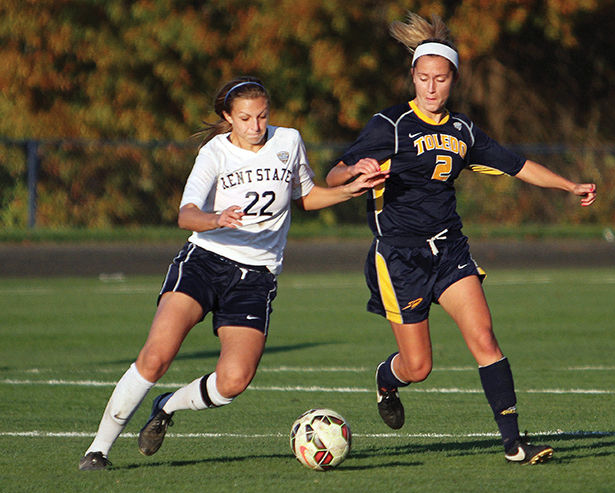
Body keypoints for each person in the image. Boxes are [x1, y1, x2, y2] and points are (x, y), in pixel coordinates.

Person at [326, 13, 596, 465]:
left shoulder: (463, 130)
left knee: (485, 338)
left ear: (453, 80)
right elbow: (336, 171)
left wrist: (569, 186)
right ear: (412, 76)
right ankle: (387, 378)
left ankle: (513, 443)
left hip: (449, 249)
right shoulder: (389, 125)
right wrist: (356, 172)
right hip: (399, 257)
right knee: (419, 367)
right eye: (424, 78)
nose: (431, 88)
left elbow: (518, 164)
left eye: (441, 79)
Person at [78, 76, 388, 470]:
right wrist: (215, 218)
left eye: (262, 116)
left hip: (257, 276)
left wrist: (352, 189)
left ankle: (167, 405)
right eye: (245, 118)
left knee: (234, 380)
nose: (256, 126)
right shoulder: (214, 154)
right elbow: (185, 214)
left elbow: (305, 195)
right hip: (204, 262)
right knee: (156, 356)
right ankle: (98, 450)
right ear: (228, 117)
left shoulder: (288, 141)